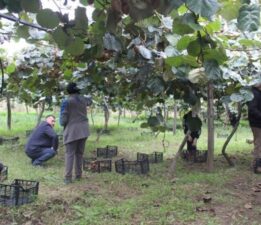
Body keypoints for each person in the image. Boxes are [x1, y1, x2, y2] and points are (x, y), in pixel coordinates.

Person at [60, 82, 92, 184]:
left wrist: (62, 123)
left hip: (73, 131)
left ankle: (68, 178)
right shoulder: (83, 100)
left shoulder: (66, 102)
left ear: (68, 91)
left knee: (70, 154)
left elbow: (63, 120)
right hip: (84, 130)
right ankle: (78, 175)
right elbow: (90, 101)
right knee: (79, 153)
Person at [247, 82, 261, 173]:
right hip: (257, 123)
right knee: (258, 144)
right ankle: (257, 166)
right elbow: (252, 109)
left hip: (258, 122)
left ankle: (257, 164)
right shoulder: (254, 94)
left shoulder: (257, 93)